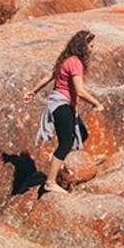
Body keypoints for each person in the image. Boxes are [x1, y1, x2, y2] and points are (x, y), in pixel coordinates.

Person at [30, 30, 103, 194]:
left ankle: (67, 165)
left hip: (60, 103)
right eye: (90, 46)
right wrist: (96, 103)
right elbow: (80, 91)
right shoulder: (75, 62)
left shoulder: (66, 59)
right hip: (61, 103)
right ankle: (50, 182)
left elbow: (50, 76)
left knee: (81, 134)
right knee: (65, 143)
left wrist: (33, 91)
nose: (92, 49)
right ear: (82, 47)